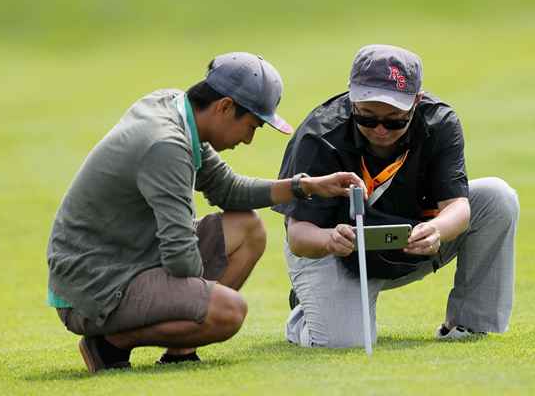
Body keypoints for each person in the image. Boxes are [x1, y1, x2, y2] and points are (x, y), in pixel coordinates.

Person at [47, 52, 365, 373]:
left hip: (128, 258)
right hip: (94, 286)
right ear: (224, 107)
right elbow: (180, 258)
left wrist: (306, 186)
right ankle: (108, 345)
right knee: (228, 312)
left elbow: (228, 190)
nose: (249, 139)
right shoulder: (166, 145)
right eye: (251, 125)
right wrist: (203, 300)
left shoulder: (174, 106)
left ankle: (180, 349)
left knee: (248, 229)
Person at [272, 44, 520, 348]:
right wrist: (328, 240)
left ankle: (470, 325)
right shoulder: (318, 135)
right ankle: (305, 313)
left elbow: (458, 208)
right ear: (351, 97)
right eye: (366, 117)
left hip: (411, 243)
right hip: (334, 253)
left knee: (498, 197)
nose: (379, 129)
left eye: (394, 120)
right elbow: (299, 235)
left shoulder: (439, 123)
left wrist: (436, 231)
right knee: (343, 342)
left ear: (416, 102)